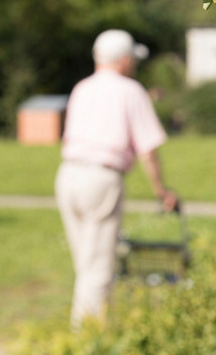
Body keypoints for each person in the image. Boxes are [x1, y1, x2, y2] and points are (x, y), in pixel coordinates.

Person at [55, 29, 178, 327]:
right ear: (124, 59)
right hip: (101, 179)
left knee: (86, 264)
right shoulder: (130, 90)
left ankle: (80, 333)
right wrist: (161, 190)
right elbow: (147, 148)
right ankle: (87, 343)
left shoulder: (82, 88)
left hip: (68, 175)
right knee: (97, 269)